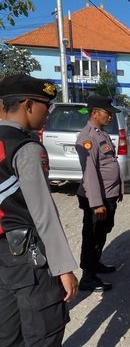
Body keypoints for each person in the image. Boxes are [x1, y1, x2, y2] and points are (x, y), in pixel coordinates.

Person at [0, 74, 78, 346]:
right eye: (46, 105)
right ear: (28, 105)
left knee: (7, 333)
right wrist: (63, 268)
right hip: (27, 258)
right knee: (44, 331)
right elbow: (43, 214)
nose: (48, 113)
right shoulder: (27, 149)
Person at [76, 96, 123, 292]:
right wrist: (96, 203)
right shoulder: (88, 137)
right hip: (97, 199)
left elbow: (109, 165)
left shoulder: (100, 134)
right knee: (92, 236)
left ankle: (95, 265)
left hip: (107, 195)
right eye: (107, 112)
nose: (110, 116)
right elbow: (90, 172)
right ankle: (87, 277)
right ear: (94, 113)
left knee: (102, 232)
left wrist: (118, 190)